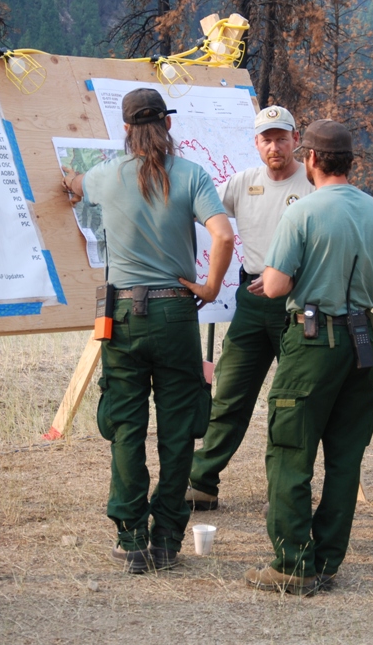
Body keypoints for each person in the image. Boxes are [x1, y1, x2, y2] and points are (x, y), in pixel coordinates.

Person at [62, 88, 234, 573]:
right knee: (178, 431)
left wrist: (72, 180)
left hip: (121, 316)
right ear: (168, 126)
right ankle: (167, 539)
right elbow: (223, 234)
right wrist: (208, 286)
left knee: (126, 427)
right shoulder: (191, 174)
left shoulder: (103, 176)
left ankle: (132, 537)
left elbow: (74, 185)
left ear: (125, 130)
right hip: (176, 312)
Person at [243, 119, 373, 596]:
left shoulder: (302, 213)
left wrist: (277, 277)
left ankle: (293, 564)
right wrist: (369, 337)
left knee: (291, 452)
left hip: (311, 340)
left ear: (310, 158)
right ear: (350, 162)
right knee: (344, 458)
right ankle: (328, 560)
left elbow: (274, 286)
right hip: (359, 344)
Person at [186, 105, 315, 512]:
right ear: (256, 144)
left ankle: (292, 487)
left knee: (294, 400)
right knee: (229, 393)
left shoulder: (313, 183)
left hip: (298, 302)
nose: (275, 146)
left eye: (282, 137)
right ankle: (202, 483)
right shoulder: (241, 184)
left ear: (296, 139)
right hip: (251, 299)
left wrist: (292, 278)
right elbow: (201, 213)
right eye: (266, 139)